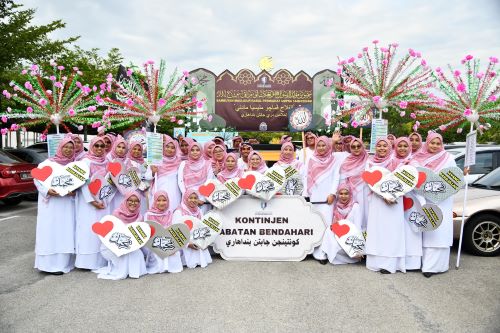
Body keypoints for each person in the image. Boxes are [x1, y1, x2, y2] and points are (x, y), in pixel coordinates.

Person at [413, 132, 458, 278]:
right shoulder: (418, 157)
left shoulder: (449, 158)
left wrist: (463, 174)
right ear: (427, 143)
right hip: (424, 199)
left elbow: (453, 179)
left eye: (438, 143)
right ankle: (424, 264)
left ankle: (436, 267)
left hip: (443, 200)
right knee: (427, 230)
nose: (435, 146)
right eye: (432, 143)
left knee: (440, 231)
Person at [34, 137, 77, 275]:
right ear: (60, 147)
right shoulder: (47, 163)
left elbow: (79, 184)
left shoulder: (75, 166)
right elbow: (38, 180)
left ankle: (62, 264)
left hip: (66, 205)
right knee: (49, 232)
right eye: (66, 147)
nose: (68, 150)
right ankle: (47, 265)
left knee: (64, 232)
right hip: (51, 206)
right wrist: (47, 191)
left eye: (71, 147)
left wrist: (73, 191)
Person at [364, 137, 405, 274]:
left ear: (390, 147)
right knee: (377, 231)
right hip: (377, 200)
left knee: (391, 232)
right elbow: (369, 180)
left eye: (385, 146)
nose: (382, 148)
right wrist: (383, 195)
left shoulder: (396, 161)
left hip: (394, 201)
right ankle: (375, 262)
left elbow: (401, 182)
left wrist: (391, 195)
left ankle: (390, 264)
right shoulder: (369, 162)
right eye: (379, 146)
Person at [303, 136, 340, 263]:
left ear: (328, 146)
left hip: (327, 199)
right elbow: (306, 176)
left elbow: (336, 177)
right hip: (314, 197)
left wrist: (332, 193)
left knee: (326, 225)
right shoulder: (311, 159)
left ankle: (322, 253)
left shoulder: (334, 160)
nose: (321, 148)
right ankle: (312, 250)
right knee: (314, 223)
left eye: (324, 145)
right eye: (319, 145)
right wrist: (306, 194)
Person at [94, 192, 147, 280]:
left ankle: (132, 272)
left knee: (137, 254)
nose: (133, 203)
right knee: (122, 254)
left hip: (130, 245)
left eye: (136, 201)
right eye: (130, 200)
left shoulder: (139, 217)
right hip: (114, 244)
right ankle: (123, 270)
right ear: (126, 200)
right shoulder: (117, 214)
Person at [75, 137, 108, 270]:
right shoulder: (85, 162)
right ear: (91, 147)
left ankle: (102, 260)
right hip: (88, 203)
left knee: (102, 231)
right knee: (88, 231)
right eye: (96, 146)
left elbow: (110, 182)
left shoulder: (107, 161)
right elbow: (83, 183)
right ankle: (86, 262)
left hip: (104, 201)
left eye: (102, 146)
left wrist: (105, 199)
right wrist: (92, 201)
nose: (99, 148)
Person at [392, 137, 423, 271]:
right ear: (395, 147)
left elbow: (419, 181)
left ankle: (413, 263)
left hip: (411, 199)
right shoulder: (391, 161)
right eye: (400, 146)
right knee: (397, 231)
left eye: (405, 146)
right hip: (395, 200)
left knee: (411, 231)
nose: (402, 148)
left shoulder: (414, 162)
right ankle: (397, 262)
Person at [319, 183, 363, 265]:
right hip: (340, 235)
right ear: (338, 195)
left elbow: (358, 228)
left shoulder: (355, 206)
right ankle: (323, 255)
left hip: (351, 238)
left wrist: (358, 249)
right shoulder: (336, 206)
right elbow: (335, 224)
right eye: (341, 193)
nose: (343, 196)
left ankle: (351, 255)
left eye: (346, 194)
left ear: (350, 194)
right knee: (329, 229)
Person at [143, 191, 183, 274]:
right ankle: (160, 267)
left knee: (174, 252)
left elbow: (174, 231)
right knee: (160, 253)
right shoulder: (148, 214)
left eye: (164, 200)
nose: (161, 203)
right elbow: (148, 234)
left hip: (169, 242)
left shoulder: (170, 213)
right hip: (154, 244)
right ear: (154, 201)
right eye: (158, 200)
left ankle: (170, 267)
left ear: (168, 201)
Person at [173, 190, 212, 269]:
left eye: (195, 198)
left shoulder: (199, 211)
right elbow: (175, 231)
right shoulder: (179, 212)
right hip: (183, 240)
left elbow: (202, 227)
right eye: (190, 198)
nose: (193, 200)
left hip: (196, 238)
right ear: (185, 199)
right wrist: (188, 244)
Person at [145, 135, 182, 212]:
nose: (169, 149)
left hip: (174, 194)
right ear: (163, 147)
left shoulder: (179, 162)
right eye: (167, 146)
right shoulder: (155, 160)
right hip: (158, 191)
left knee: (172, 215)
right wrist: (153, 172)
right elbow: (147, 177)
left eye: (172, 148)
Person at [339, 138, 369, 230]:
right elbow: (342, 181)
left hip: (366, 193)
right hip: (351, 194)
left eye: (358, 146)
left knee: (366, 216)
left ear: (362, 146)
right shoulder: (346, 162)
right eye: (353, 146)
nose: (356, 148)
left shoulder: (368, 160)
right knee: (354, 218)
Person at [127, 140, 150, 214]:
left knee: (141, 212)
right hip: (129, 193)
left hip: (142, 193)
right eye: (134, 149)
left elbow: (147, 177)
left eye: (139, 149)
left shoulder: (145, 163)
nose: (136, 151)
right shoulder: (126, 162)